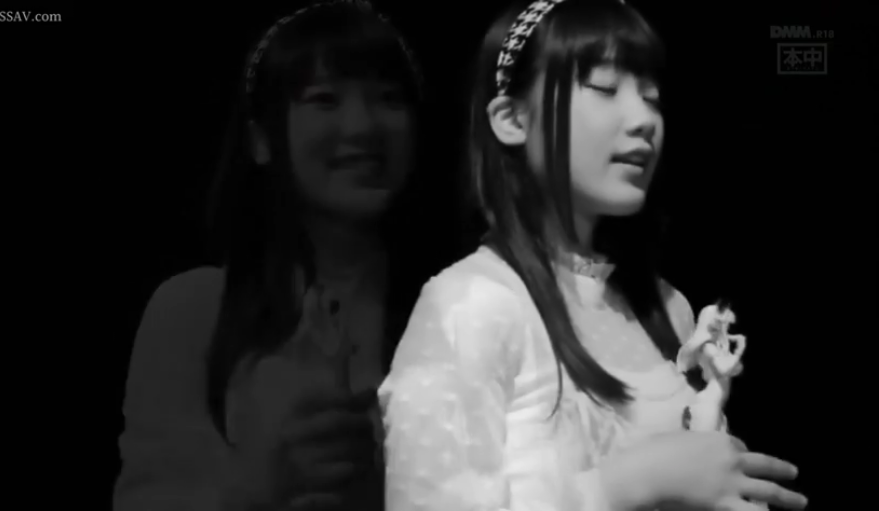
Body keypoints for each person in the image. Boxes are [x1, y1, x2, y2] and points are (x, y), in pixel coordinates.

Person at [378, 1, 809, 510]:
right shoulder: (469, 306)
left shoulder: (668, 307)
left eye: (651, 97)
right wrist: (624, 483)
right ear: (512, 119)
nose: (644, 119)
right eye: (605, 88)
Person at [113, 1, 447, 510]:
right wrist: (257, 489)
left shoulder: (461, 308)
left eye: (388, 98)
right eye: (325, 99)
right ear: (262, 138)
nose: (362, 126)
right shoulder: (193, 311)